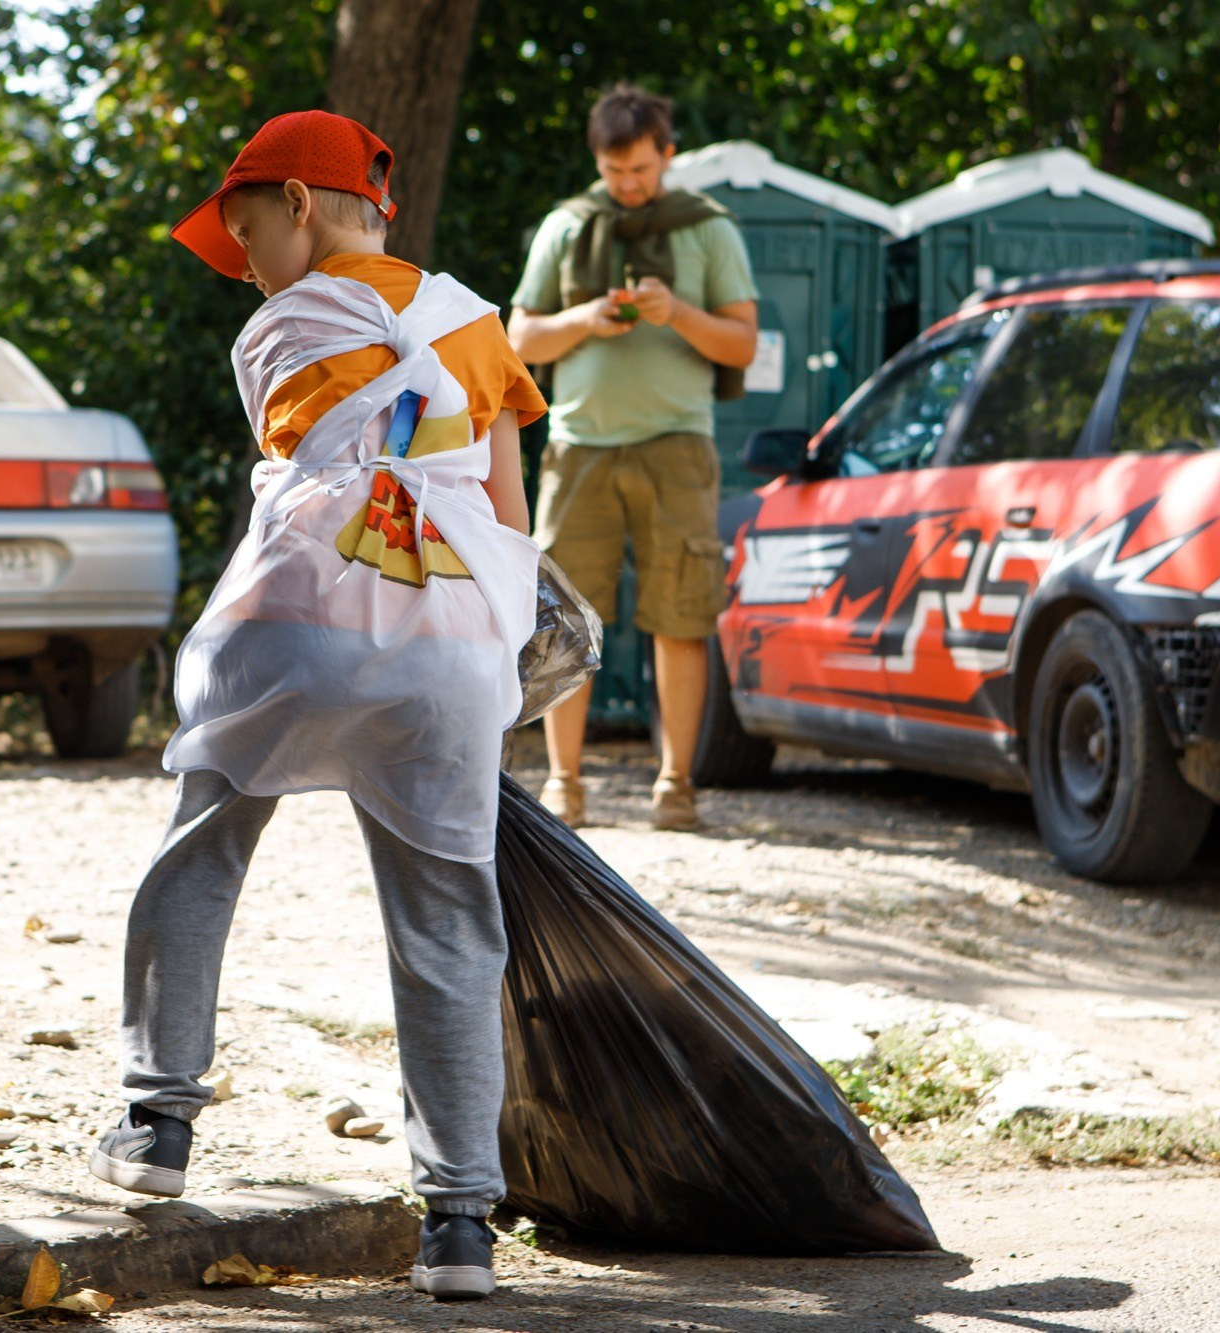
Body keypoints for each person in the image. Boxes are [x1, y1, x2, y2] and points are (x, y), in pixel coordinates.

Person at [87, 109, 546, 1304]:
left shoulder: (277, 329)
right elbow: (500, 513)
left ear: (297, 200)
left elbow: (310, 472)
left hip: (293, 631)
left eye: (243, 232)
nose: (241, 263)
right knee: (446, 917)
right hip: (440, 645)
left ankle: (155, 1125)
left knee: (201, 847)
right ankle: (458, 1226)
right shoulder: (477, 324)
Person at [507, 84, 759, 832]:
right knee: (564, 623)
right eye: (616, 172)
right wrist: (584, 318)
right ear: (599, 161)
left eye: (642, 170)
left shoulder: (709, 231)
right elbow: (519, 341)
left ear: (667, 154)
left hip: (677, 447)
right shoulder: (566, 226)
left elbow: (742, 343)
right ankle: (564, 785)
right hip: (579, 448)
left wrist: (677, 311)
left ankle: (675, 785)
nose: (629, 185)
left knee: (680, 616)